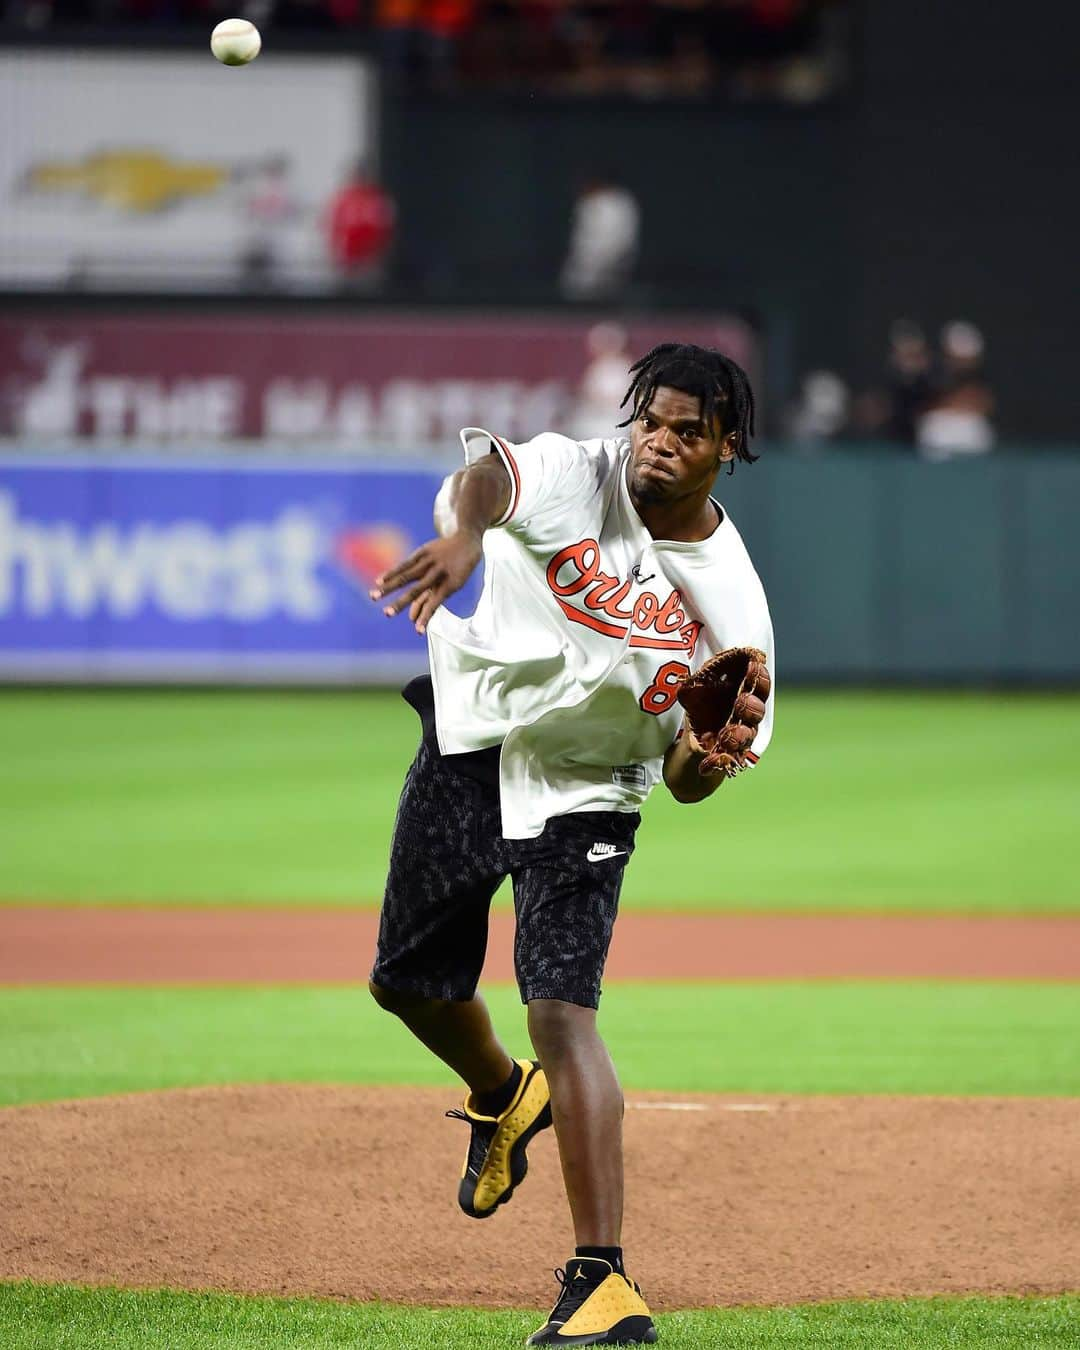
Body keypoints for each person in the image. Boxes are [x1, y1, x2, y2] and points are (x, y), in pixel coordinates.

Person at [368, 343, 775, 1347]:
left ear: (728, 447)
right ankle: (505, 1097)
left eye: (689, 431)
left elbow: (688, 781)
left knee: (563, 1013)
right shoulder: (576, 470)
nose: (661, 444)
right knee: (404, 983)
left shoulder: (731, 602)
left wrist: (704, 758)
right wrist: (465, 537)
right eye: (652, 420)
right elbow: (488, 476)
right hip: (473, 743)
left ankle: (602, 1280)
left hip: (593, 795)